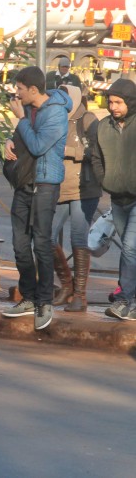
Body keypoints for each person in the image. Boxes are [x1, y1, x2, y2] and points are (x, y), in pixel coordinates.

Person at [1, 66, 71, 330]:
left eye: (19, 88)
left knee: (41, 244)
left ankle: (44, 301)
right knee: (20, 245)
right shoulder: (28, 109)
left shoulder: (55, 112)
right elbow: (23, 136)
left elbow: (40, 146)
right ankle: (28, 297)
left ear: (32, 89)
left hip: (45, 183)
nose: (16, 94)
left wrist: (19, 120)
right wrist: (9, 140)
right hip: (23, 183)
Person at [49, 85, 102, 312]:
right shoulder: (55, 118)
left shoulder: (88, 119)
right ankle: (66, 286)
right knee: (47, 237)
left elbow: (98, 153)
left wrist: (70, 151)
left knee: (78, 239)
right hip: (59, 188)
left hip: (84, 189)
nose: (61, 102)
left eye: (65, 97)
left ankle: (80, 294)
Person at [90, 78, 136, 321]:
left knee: (129, 247)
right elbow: (96, 158)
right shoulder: (103, 127)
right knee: (131, 252)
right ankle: (131, 299)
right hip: (118, 198)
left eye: (119, 102)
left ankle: (124, 300)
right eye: (110, 102)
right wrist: (104, 180)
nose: (113, 106)